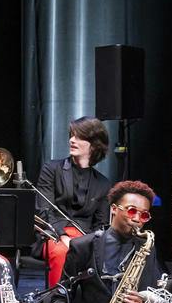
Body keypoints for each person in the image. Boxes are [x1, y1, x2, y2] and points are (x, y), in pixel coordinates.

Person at [35, 117, 113, 288]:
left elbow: (101, 224)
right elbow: (44, 210)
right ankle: (58, 302)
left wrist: (87, 243)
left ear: (94, 144)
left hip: (85, 236)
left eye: (79, 137)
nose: (72, 140)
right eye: (71, 135)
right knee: (62, 252)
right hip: (53, 233)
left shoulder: (103, 184)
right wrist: (63, 236)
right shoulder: (52, 169)